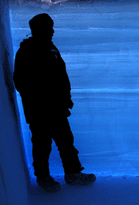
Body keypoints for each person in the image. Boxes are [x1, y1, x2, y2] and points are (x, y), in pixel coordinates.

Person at [13, 13, 96, 192]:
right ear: (38, 29)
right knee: (42, 143)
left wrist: (64, 98)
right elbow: (20, 81)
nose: (52, 30)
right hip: (40, 109)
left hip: (56, 107)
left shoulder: (50, 48)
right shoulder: (27, 51)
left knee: (65, 140)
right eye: (49, 27)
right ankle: (43, 177)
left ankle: (72, 173)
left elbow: (59, 76)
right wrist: (40, 100)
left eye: (51, 26)